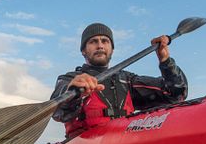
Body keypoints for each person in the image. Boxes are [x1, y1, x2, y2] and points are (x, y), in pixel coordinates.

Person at [51, 23, 188, 137]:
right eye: (93, 41)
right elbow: (59, 113)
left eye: (105, 41)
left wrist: (165, 60)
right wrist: (74, 92)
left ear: (111, 49)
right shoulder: (69, 80)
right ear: (83, 51)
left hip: (122, 141)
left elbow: (175, 95)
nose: (100, 46)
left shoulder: (128, 81)